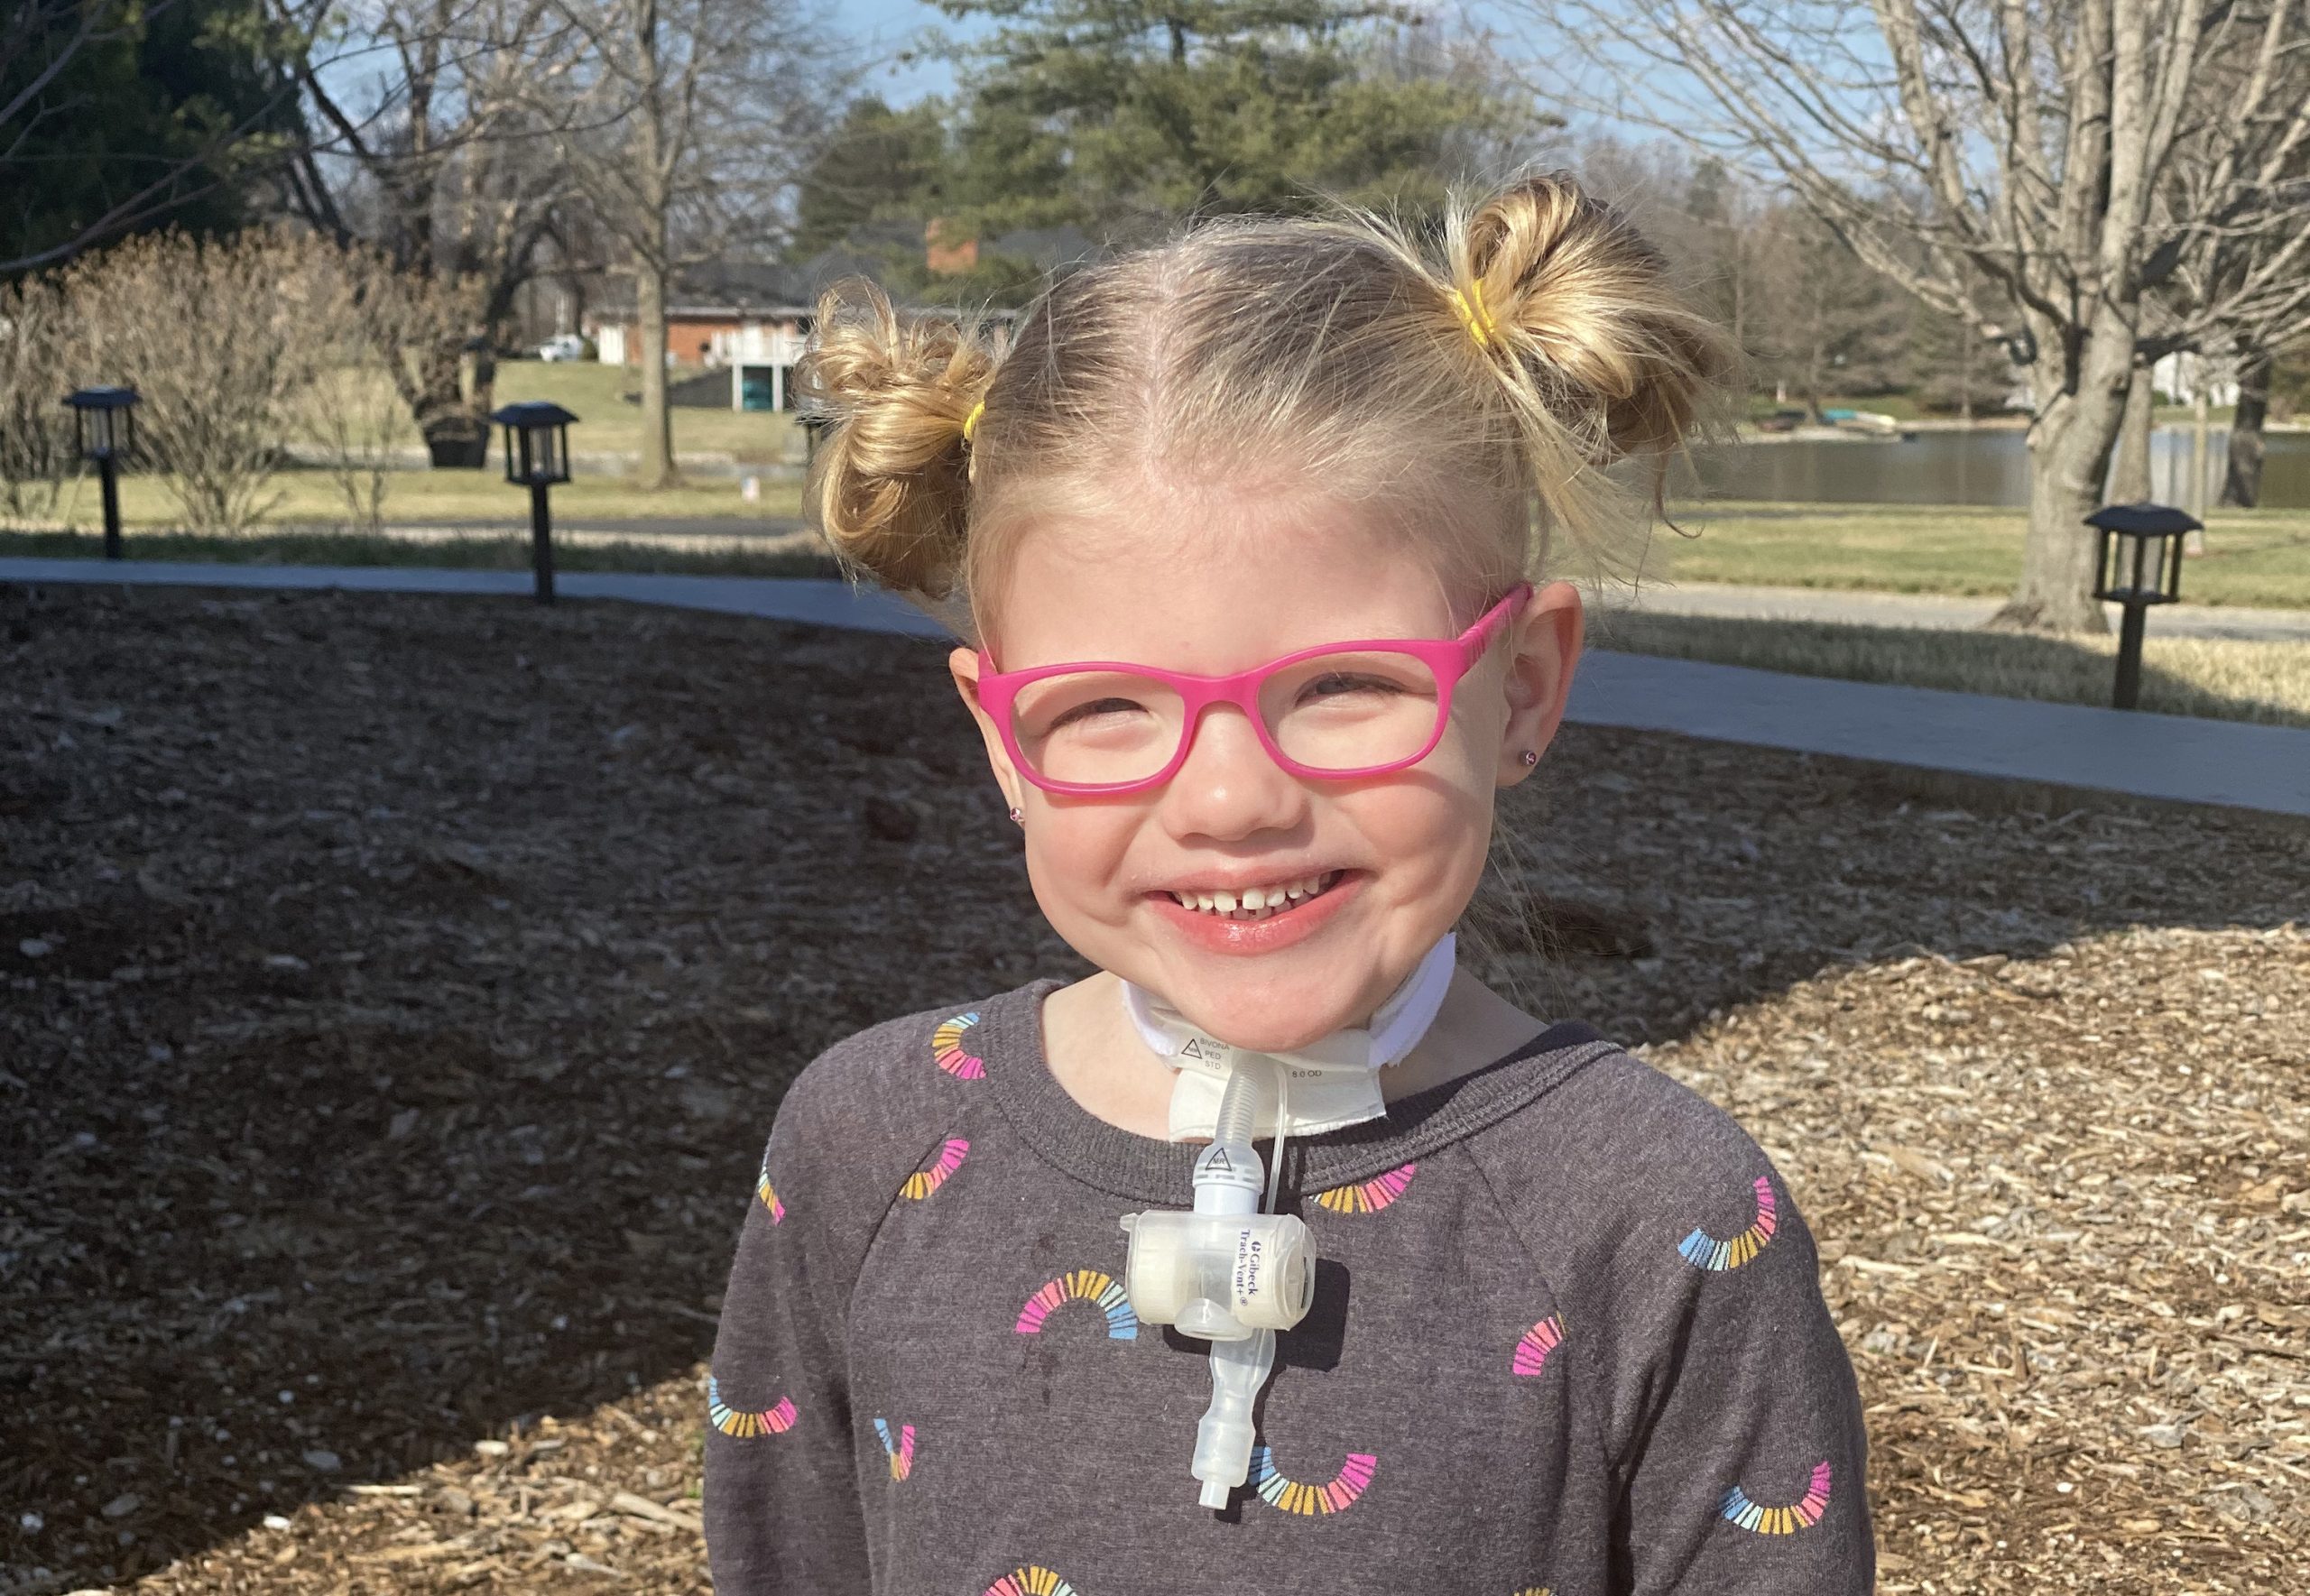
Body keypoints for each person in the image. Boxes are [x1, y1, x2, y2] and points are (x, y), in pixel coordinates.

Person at [704, 171, 1874, 1595]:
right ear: (1002, 741)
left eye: (1341, 686)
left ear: (1519, 689)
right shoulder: (864, 1146)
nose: (1230, 799)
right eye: (1107, 710)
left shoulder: (1660, 1213)